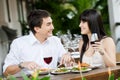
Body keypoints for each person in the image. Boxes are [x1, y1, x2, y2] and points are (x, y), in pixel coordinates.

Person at [3, 9, 74, 76]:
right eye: (48, 24)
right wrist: (22, 65)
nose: (52, 27)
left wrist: (67, 56)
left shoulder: (55, 40)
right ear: (37, 29)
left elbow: (67, 61)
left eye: (52, 23)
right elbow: (6, 72)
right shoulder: (18, 43)